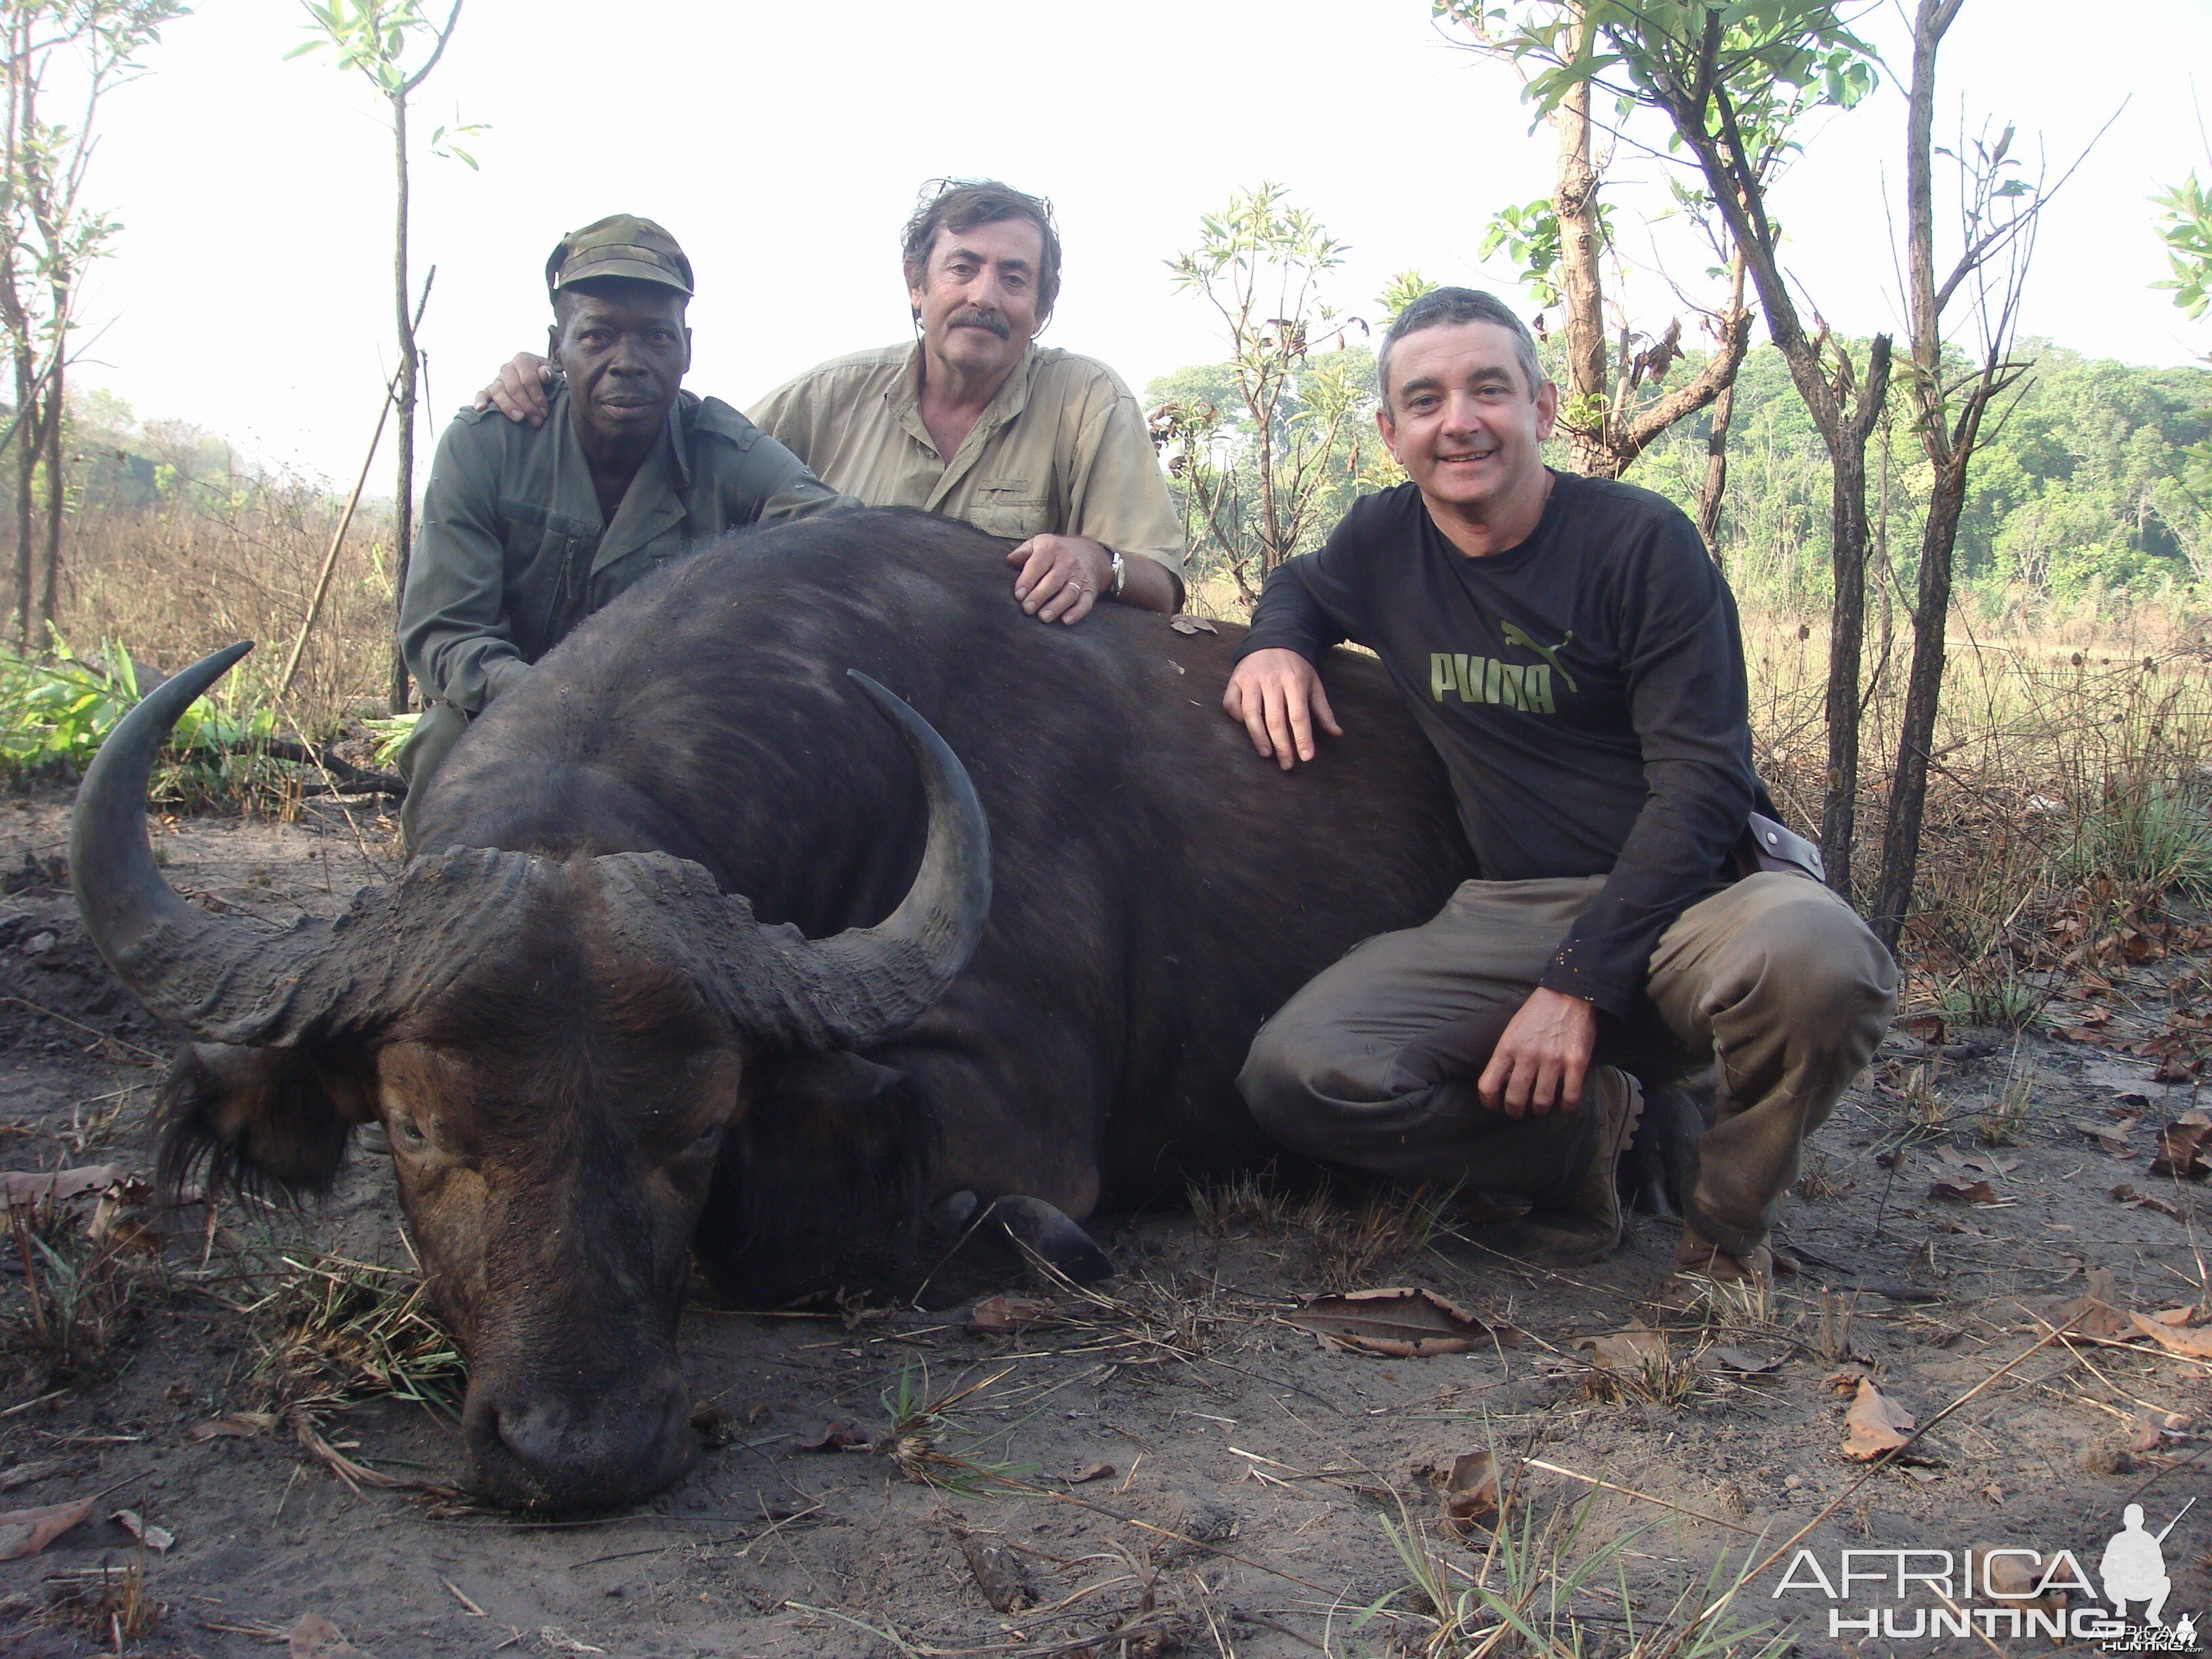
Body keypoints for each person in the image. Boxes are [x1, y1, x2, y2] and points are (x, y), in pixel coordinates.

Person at [1222, 286, 1897, 1282]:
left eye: (1489, 391)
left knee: (1822, 958)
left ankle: (1720, 1245)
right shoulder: (1383, 541)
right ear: (1390, 431)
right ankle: (1583, 1145)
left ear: (1539, 410)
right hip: (1510, 909)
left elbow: (1703, 788)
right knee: (1296, 1074)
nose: (1460, 422)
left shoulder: (1640, 544)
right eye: (1426, 400)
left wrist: (1578, 983)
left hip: (1688, 898)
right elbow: (1300, 584)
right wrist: (1277, 645)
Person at [476, 179, 1185, 628]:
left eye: (1013, 278)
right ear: (917, 284)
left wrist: (1098, 563)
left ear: (1043, 304)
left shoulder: (1087, 400)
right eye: (962, 269)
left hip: (1012, 711)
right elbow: (674, 446)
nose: (983, 297)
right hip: (838, 713)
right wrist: (560, 377)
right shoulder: (827, 398)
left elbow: (1163, 582)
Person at [398, 214, 851, 840]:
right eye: (599, 336)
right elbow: (445, 636)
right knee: (442, 740)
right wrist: (548, 701)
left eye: (656, 338)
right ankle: (437, 915)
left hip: (668, 726)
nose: (628, 362)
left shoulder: (720, 448)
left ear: (687, 348)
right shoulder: (486, 445)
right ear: (558, 346)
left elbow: (841, 535)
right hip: (508, 710)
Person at [2100, 1504, 2173, 1625]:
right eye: (2131, 1519)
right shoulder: (2117, 1540)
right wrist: (2123, 1569)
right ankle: (2121, 1606)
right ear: (2125, 1521)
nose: (2134, 1523)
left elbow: (2161, 1570)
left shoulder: (2149, 1541)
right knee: (2111, 1579)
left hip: (2143, 1587)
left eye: (2136, 1520)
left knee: (2165, 1582)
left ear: (2142, 1521)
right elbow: (2105, 1568)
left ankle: (2153, 1614)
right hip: (2120, 1588)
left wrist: (2145, 1569)